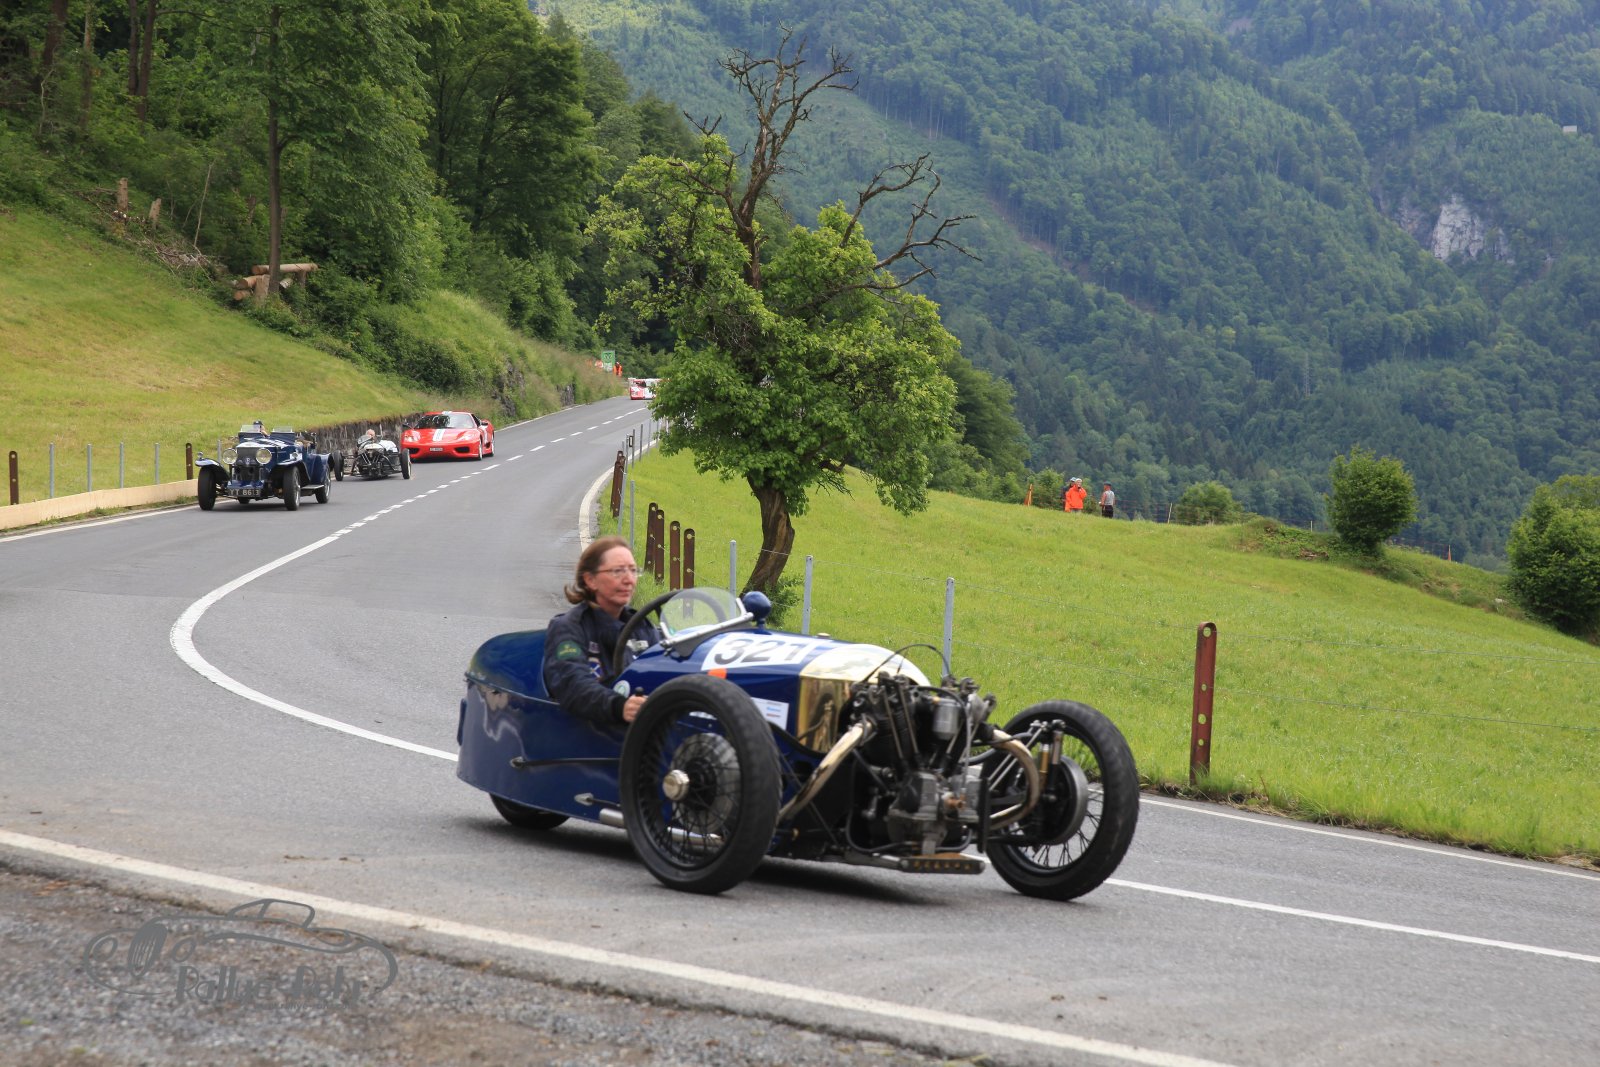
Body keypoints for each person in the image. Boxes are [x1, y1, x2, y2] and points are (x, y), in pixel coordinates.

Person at [542, 536, 658, 726]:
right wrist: (619, 707)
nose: (629, 580)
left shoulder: (641, 626)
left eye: (633, 570)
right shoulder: (569, 627)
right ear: (590, 580)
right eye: (617, 571)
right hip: (591, 734)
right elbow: (571, 683)